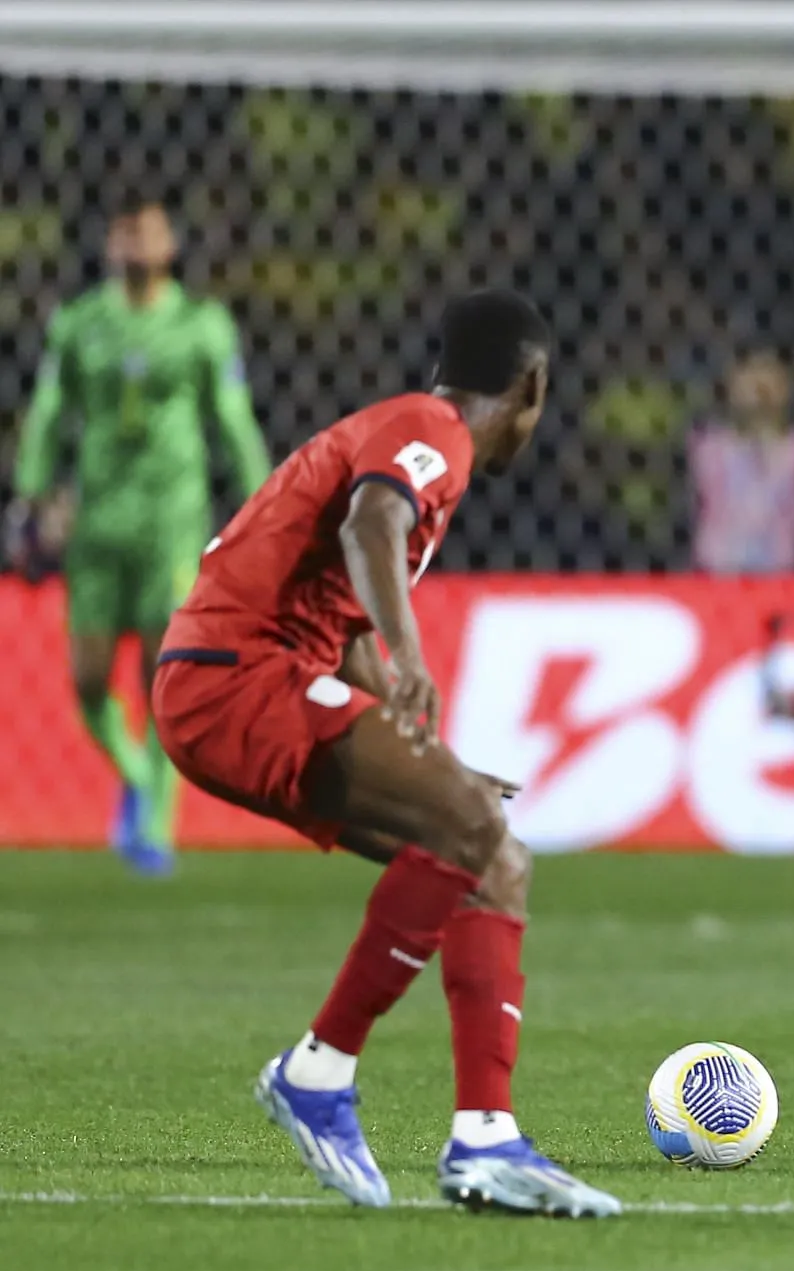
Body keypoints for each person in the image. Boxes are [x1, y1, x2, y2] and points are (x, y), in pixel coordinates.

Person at [150, 290, 619, 1217]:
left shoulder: (409, 430)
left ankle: (486, 1138)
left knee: (494, 859)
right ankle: (316, 1072)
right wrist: (413, 662)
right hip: (233, 675)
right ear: (532, 384)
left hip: (248, 679)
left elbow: (347, 624)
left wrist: (430, 762)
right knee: (472, 826)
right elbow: (373, 524)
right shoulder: (431, 429)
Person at [8, 197, 273, 875]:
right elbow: (49, 410)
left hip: (170, 522)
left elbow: (232, 418)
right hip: (99, 521)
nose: (135, 239)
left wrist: (264, 500)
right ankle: (135, 774)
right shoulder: (80, 324)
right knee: (88, 680)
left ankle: (156, 821)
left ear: (170, 242)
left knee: (166, 677)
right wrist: (33, 493)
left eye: (148, 228)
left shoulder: (200, 325)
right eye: (124, 228)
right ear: (109, 242)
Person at [688, 348, 794, 574]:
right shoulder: (708, 446)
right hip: (716, 570)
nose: (760, 388)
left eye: (769, 376)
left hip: (785, 571)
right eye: (751, 377)